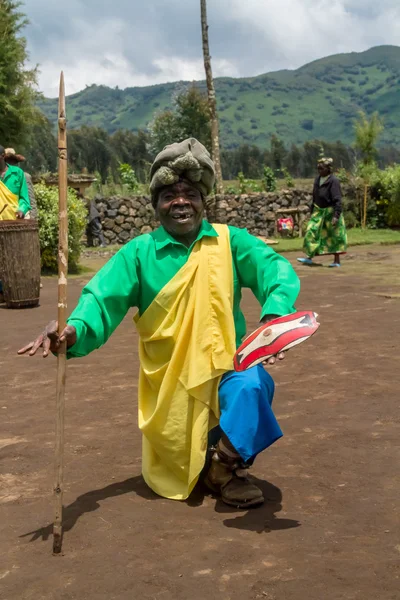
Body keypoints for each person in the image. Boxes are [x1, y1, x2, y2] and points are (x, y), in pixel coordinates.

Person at [18, 138, 300, 509]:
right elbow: (100, 300)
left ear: (203, 202)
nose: (180, 201)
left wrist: (273, 318)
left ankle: (225, 467)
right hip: (170, 387)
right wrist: (72, 331)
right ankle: (195, 459)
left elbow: (275, 270)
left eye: (190, 194)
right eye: (169, 194)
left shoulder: (230, 243)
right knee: (176, 458)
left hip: (225, 370)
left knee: (253, 385)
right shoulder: (138, 253)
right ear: (156, 205)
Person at [297, 157, 347, 268]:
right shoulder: (317, 179)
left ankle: (336, 261)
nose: (319, 170)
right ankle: (309, 257)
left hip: (330, 211)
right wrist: (312, 210)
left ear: (328, 169)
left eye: (322, 168)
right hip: (318, 211)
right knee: (311, 230)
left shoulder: (333, 181)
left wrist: (336, 215)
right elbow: (315, 196)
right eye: (318, 168)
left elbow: (337, 199)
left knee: (334, 235)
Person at [4, 148, 37, 219]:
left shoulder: (24, 176)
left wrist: (32, 219)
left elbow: (31, 200)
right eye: (8, 161)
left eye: (13, 161)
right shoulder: (2, 176)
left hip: (20, 216)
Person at [0, 145, 31, 220]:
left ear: (3, 156)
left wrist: (22, 210)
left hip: (14, 222)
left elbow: (24, 198)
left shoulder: (18, 173)